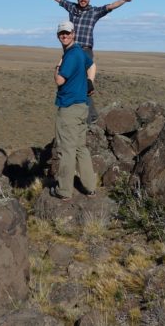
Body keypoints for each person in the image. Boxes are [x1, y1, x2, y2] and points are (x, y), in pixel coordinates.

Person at [34, 0, 132, 95]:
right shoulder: (72, 8)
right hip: (72, 49)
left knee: (85, 78)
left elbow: (111, 6)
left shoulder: (95, 12)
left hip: (85, 49)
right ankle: (70, 98)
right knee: (67, 77)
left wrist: (124, 0)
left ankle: (88, 92)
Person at [51, 20, 97, 199]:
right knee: (80, 148)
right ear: (58, 35)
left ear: (73, 34)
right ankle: (90, 187)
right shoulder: (79, 51)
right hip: (82, 106)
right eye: (62, 33)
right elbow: (92, 65)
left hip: (69, 108)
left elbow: (59, 80)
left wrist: (57, 67)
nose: (64, 36)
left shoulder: (70, 55)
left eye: (67, 33)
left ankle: (64, 191)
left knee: (66, 150)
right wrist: (90, 81)